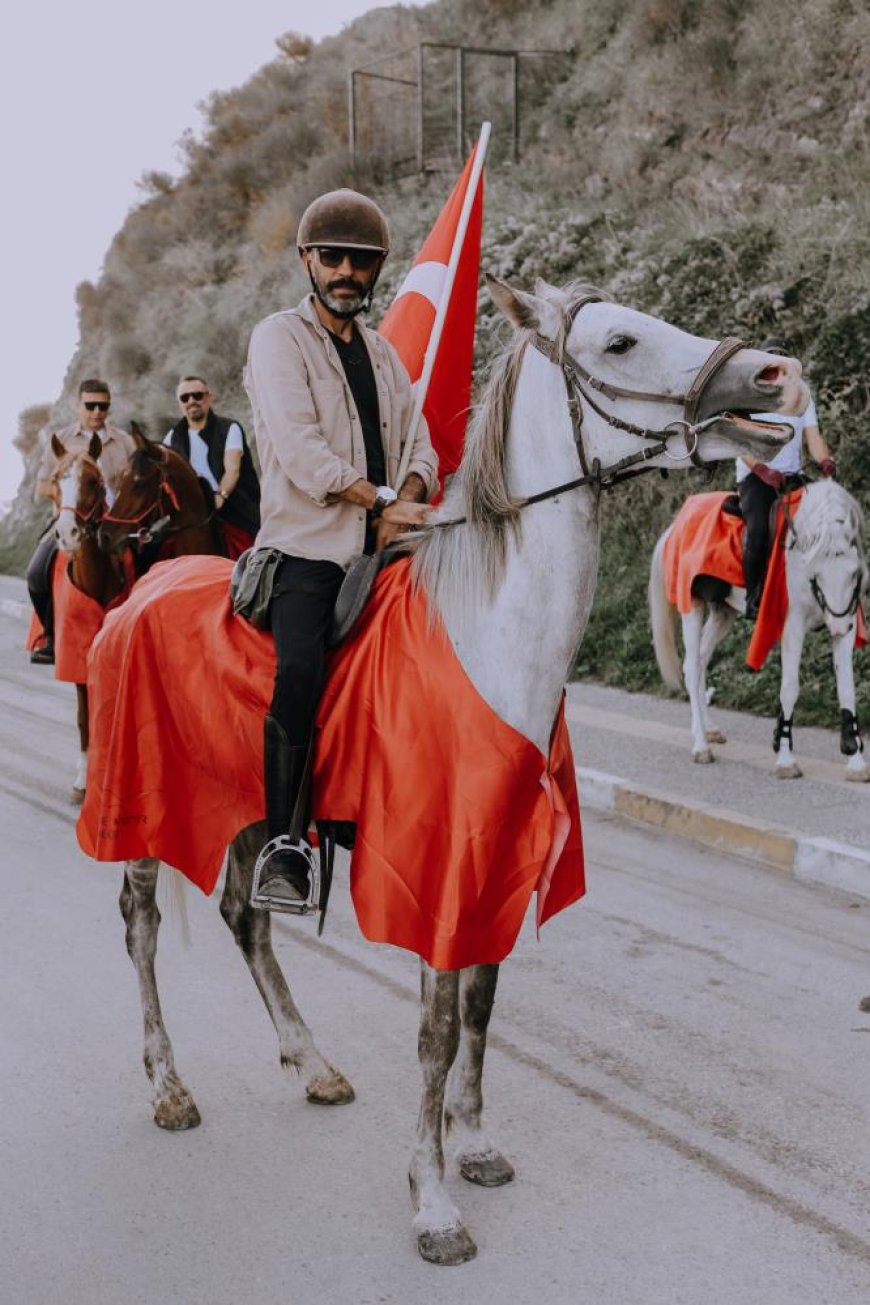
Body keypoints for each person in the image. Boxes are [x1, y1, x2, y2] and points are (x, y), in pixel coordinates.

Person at [243, 187, 439, 913]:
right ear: (307, 261)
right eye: (333, 258)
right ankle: (285, 843)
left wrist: (410, 491)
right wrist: (380, 499)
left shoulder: (385, 354)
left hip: (387, 550)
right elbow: (300, 451)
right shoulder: (277, 339)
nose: (347, 272)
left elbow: (421, 441)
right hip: (309, 549)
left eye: (362, 261)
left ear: (378, 269)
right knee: (298, 669)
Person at [27, 378, 137, 663]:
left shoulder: (124, 442)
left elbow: (134, 484)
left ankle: (141, 632)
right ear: (79, 406)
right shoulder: (61, 440)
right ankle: (51, 637)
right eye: (91, 405)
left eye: (103, 405)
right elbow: (42, 486)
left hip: (114, 521)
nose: (97, 411)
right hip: (70, 519)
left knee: (147, 565)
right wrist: (66, 500)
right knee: (36, 572)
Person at [736, 337, 836, 620]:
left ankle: (826, 590)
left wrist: (825, 462)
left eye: (781, 363)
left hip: (792, 476)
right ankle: (753, 597)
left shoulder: (802, 398)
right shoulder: (747, 399)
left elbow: (814, 438)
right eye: (771, 363)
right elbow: (742, 444)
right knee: (757, 533)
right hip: (757, 478)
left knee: (827, 519)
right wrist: (762, 470)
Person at [164, 375, 260, 558]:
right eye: (185, 398)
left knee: (252, 549)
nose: (192, 401)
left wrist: (220, 495)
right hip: (191, 512)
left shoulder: (229, 428)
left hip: (229, 505)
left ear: (209, 398)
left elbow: (233, 470)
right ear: (180, 404)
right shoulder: (172, 437)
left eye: (197, 395)